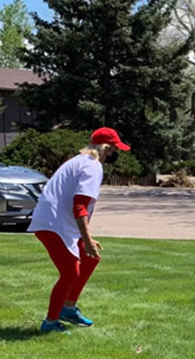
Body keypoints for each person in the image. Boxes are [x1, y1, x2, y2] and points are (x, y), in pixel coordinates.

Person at [28, 127, 131, 334]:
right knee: (70, 271)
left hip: (58, 222)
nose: (114, 154)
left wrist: (85, 239)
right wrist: (88, 238)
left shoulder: (80, 161)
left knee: (90, 259)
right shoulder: (92, 166)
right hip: (52, 224)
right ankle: (50, 322)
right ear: (105, 149)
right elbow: (79, 206)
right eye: (113, 150)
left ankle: (68, 308)